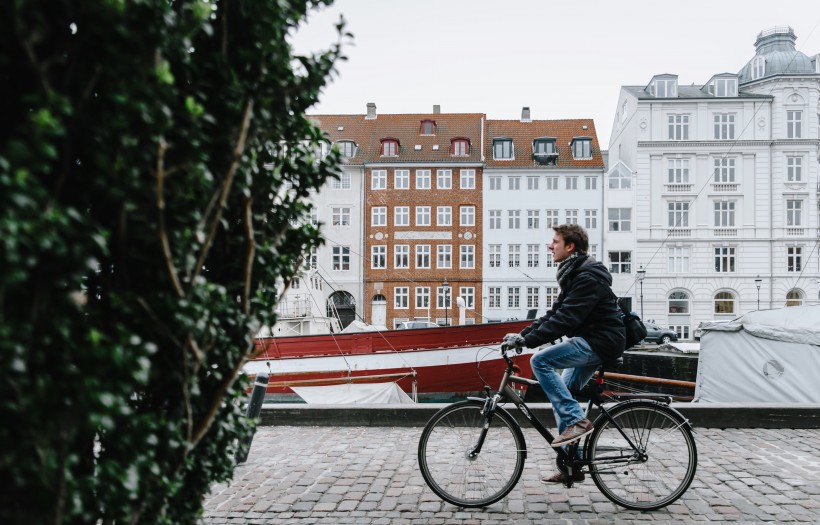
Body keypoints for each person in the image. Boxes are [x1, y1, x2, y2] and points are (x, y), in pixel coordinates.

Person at [503, 224, 625, 484]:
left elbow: (567, 319)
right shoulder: (574, 273)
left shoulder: (587, 276)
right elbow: (554, 314)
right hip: (593, 340)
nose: (550, 246)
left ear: (570, 246)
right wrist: (523, 335)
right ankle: (572, 464)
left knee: (541, 361)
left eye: (554, 241)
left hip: (600, 341)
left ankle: (577, 422)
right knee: (563, 396)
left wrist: (529, 344)